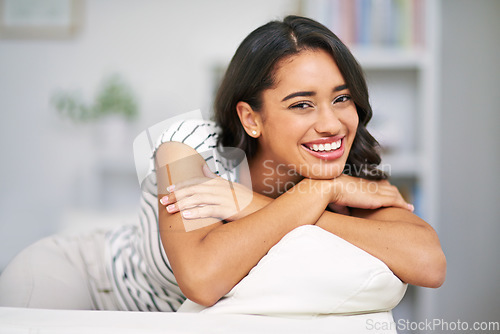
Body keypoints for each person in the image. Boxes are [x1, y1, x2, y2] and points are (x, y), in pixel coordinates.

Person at [0, 15, 446, 312]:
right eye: (301, 105)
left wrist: (274, 200)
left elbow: (429, 263)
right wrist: (320, 194)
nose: (331, 124)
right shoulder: (185, 148)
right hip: (88, 285)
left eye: (342, 98)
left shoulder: (349, 167)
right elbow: (202, 277)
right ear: (250, 117)